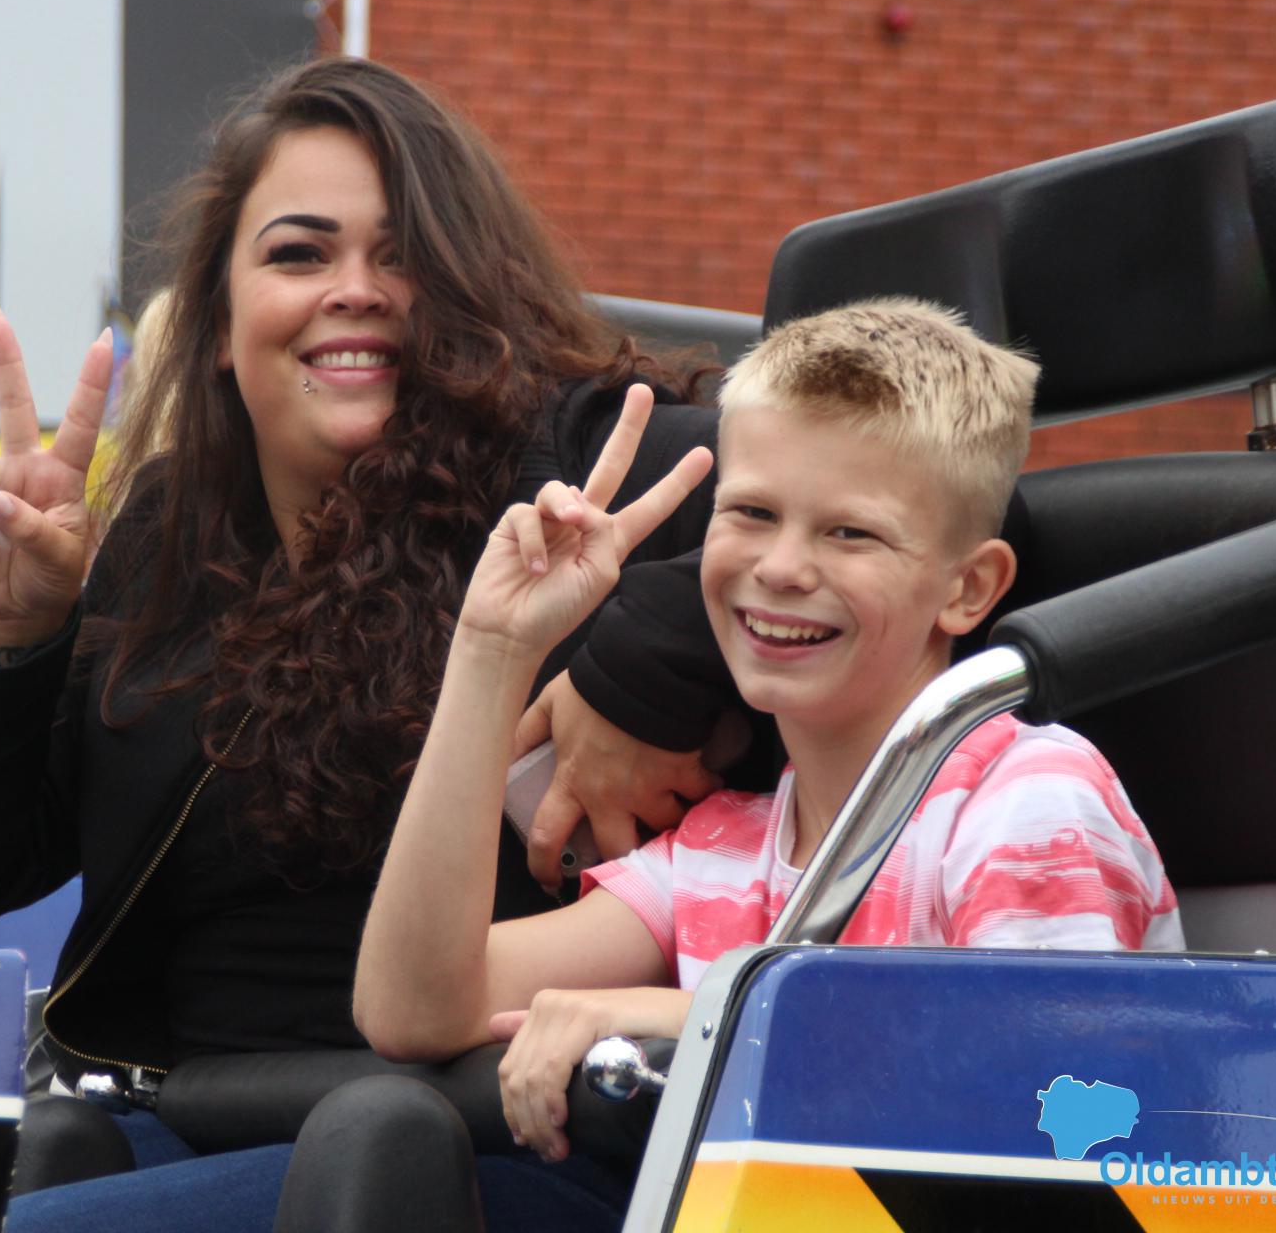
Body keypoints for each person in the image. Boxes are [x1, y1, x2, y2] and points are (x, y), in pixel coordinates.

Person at [0, 56, 738, 1225]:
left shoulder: (582, 460)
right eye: (299, 254)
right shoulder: (165, 539)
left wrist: (641, 659)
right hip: (189, 1117)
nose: (355, 289)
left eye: (403, 254)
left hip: (508, 1134)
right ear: (221, 326)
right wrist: (11, 629)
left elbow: (887, 532)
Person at [354, 298, 1185, 1189]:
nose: (781, 567)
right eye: (751, 512)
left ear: (968, 588)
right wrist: (494, 650)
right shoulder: (723, 846)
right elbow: (416, 1011)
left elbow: (1051, 1109)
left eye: (850, 532)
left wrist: (694, 1017)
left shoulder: (1027, 797)